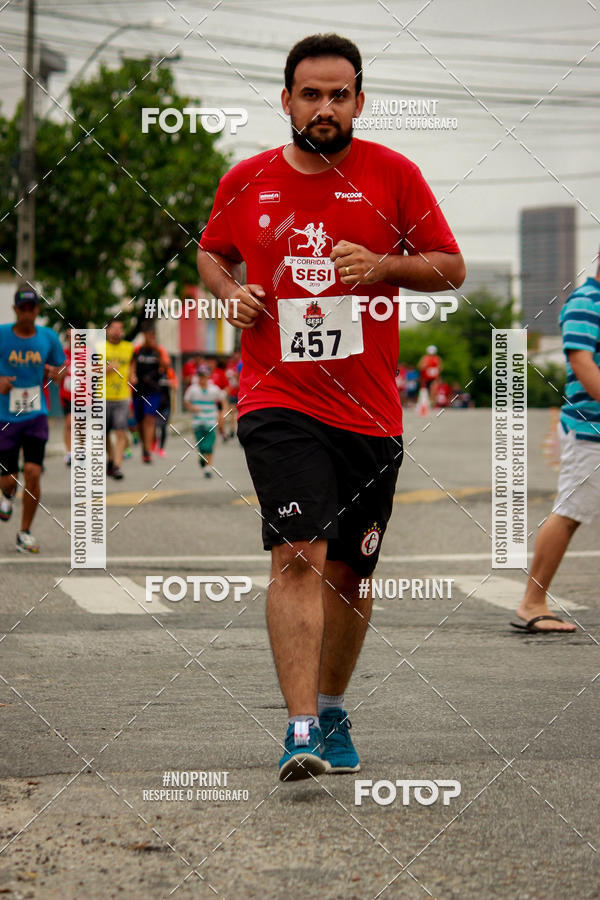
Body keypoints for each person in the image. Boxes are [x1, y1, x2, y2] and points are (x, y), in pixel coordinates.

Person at [198, 33, 465, 781]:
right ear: (286, 101)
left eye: (338, 94)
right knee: (296, 555)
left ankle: (334, 704)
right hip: (277, 399)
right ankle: (300, 727)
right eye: (310, 94)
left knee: (349, 574)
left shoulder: (394, 176)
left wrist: (383, 265)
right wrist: (231, 293)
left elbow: (450, 267)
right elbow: (212, 251)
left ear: (358, 101)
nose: (325, 107)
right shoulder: (245, 180)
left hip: (370, 415)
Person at [512, 259, 600, 634]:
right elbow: (581, 361)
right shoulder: (586, 302)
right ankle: (531, 602)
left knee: (570, 512)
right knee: (568, 512)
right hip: (589, 430)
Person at [0, 287, 65, 553]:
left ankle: (24, 532)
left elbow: (60, 367)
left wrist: (55, 373)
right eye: (22, 309)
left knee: (33, 472)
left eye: (31, 309)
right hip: (5, 417)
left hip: (37, 414)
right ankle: (6, 494)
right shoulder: (2, 335)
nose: (27, 313)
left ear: (37, 310)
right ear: (15, 310)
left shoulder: (49, 337)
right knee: (9, 479)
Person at [130, 324, 170, 463]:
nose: (151, 338)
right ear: (144, 336)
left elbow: (165, 367)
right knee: (140, 421)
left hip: (154, 390)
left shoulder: (158, 351)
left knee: (149, 418)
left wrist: (157, 352)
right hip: (138, 391)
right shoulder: (137, 351)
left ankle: (147, 451)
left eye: (153, 336)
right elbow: (132, 366)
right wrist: (132, 376)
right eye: (149, 335)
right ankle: (144, 446)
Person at [105, 320, 134, 480]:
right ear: (108, 330)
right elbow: (88, 368)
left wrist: (133, 375)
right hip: (102, 395)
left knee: (120, 431)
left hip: (122, 396)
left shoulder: (129, 348)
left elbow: (132, 365)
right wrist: (106, 369)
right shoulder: (99, 347)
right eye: (114, 328)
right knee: (103, 434)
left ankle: (117, 465)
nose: (117, 331)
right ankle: (110, 458)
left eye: (120, 328)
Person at [183, 364, 225, 476]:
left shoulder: (214, 389)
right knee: (201, 446)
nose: (202, 379)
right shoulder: (192, 389)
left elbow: (221, 402)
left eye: (204, 376)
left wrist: (221, 416)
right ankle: (202, 458)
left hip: (211, 421)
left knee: (209, 446)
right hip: (197, 422)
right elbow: (186, 401)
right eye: (200, 376)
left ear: (208, 376)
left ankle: (208, 468)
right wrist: (192, 408)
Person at [154, 363, 178, 457]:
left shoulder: (170, 373)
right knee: (154, 426)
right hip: (155, 403)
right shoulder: (154, 373)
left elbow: (175, 386)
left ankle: (161, 448)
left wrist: (171, 383)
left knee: (163, 427)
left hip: (166, 404)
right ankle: (153, 444)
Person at [59, 328, 73, 466]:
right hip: (67, 395)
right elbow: (57, 376)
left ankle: (80, 451)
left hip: (83, 395)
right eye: (69, 336)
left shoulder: (87, 353)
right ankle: (69, 452)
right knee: (69, 423)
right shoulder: (62, 354)